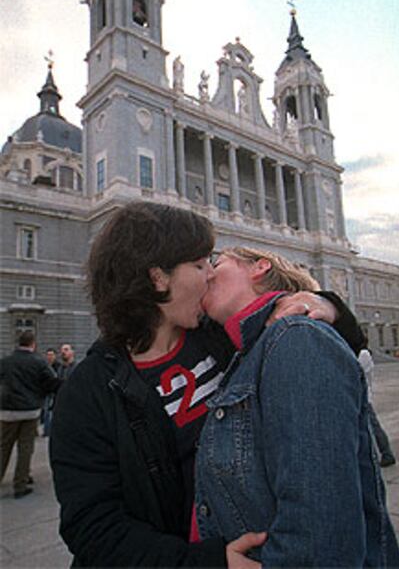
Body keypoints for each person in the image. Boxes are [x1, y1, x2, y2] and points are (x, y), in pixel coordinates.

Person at [50, 201, 365, 568]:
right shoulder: (88, 392)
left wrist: (328, 307)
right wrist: (208, 563)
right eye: (200, 265)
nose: (209, 275)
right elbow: (92, 528)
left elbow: (327, 351)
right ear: (159, 278)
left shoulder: (218, 339)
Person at [195, 247, 399, 567]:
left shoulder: (296, 338)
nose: (206, 272)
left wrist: (324, 303)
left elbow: (319, 535)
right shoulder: (247, 351)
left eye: (216, 263)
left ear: (260, 267)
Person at [0, 331, 62, 498]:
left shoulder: (5, 361)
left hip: (6, 411)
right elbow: (51, 383)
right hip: (29, 410)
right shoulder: (38, 362)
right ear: (33, 344)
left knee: (3, 447)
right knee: (25, 448)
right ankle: (20, 484)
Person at [358, 347, 396, 467]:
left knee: (374, 427)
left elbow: (359, 372)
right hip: (359, 396)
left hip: (363, 398)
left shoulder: (363, 354)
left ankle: (387, 453)